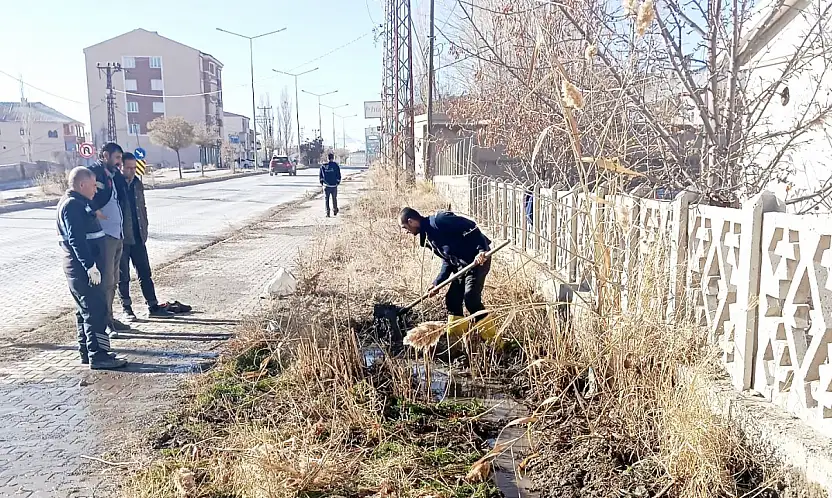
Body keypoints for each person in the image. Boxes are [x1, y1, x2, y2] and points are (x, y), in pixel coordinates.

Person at [57, 167, 128, 370]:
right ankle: (100, 355)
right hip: (83, 270)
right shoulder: (72, 205)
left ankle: (87, 352)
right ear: (81, 185)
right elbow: (76, 239)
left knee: (84, 312)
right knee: (95, 312)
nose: (95, 190)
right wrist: (90, 267)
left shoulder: (79, 202)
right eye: (93, 185)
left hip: (84, 268)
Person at [399, 207, 497, 343]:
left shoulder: (440, 221)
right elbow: (447, 260)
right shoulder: (428, 237)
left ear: (411, 221)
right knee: (452, 300)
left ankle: (494, 341)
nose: (406, 232)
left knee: (471, 300)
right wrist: (437, 283)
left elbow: (471, 227)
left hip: (477, 261)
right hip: (461, 265)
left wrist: (482, 250)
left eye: (404, 227)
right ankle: (456, 340)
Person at [118, 153, 175, 320]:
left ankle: (153, 306)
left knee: (145, 272)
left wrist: (145, 228)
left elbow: (142, 208)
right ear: (120, 167)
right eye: (128, 168)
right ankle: (127, 309)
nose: (132, 171)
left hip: (138, 236)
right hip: (122, 238)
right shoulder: (115, 184)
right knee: (123, 277)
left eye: (134, 168)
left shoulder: (137, 183)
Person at [87, 142, 132, 338]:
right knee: (105, 281)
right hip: (103, 236)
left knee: (113, 280)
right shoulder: (93, 172)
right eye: (117, 158)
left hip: (117, 234)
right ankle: (103, 324)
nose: (119, 162)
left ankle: (110, 318)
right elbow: (81, 193)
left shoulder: (114, 175)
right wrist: (92, 208)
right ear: (105, 155)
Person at [319, 152, 342, 217]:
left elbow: (321, 176)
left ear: (327, 158)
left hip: (326, 186)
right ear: (333, 158)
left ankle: (327, 213)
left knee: (327, 199)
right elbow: (338, 175)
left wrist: (322, 183)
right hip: (334, 185)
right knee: (334, 198)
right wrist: (338, 182)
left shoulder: (323, 166)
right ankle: (335, 210)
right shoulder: (335, 165)